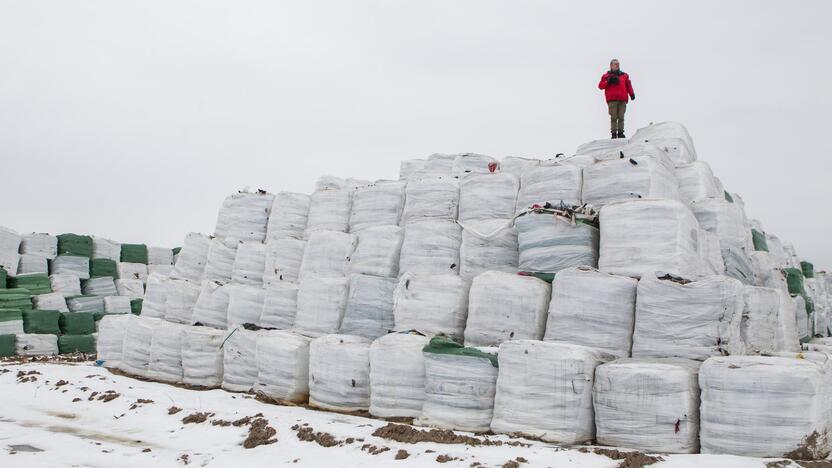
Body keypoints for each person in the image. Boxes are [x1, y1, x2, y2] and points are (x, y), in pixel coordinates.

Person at [598, 59, 635, 139]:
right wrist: (608, 82)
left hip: (622, 99)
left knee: (621, 117)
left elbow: (628, 85)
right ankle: (614, 133)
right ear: (611, 65)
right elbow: (600, 86)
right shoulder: (606, 76)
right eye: (615, 64)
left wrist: (631, 93)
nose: (617, 65)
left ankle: (621, 133)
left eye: (618, 64)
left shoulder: (624, 75)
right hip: (612, 100)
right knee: (613, 117)